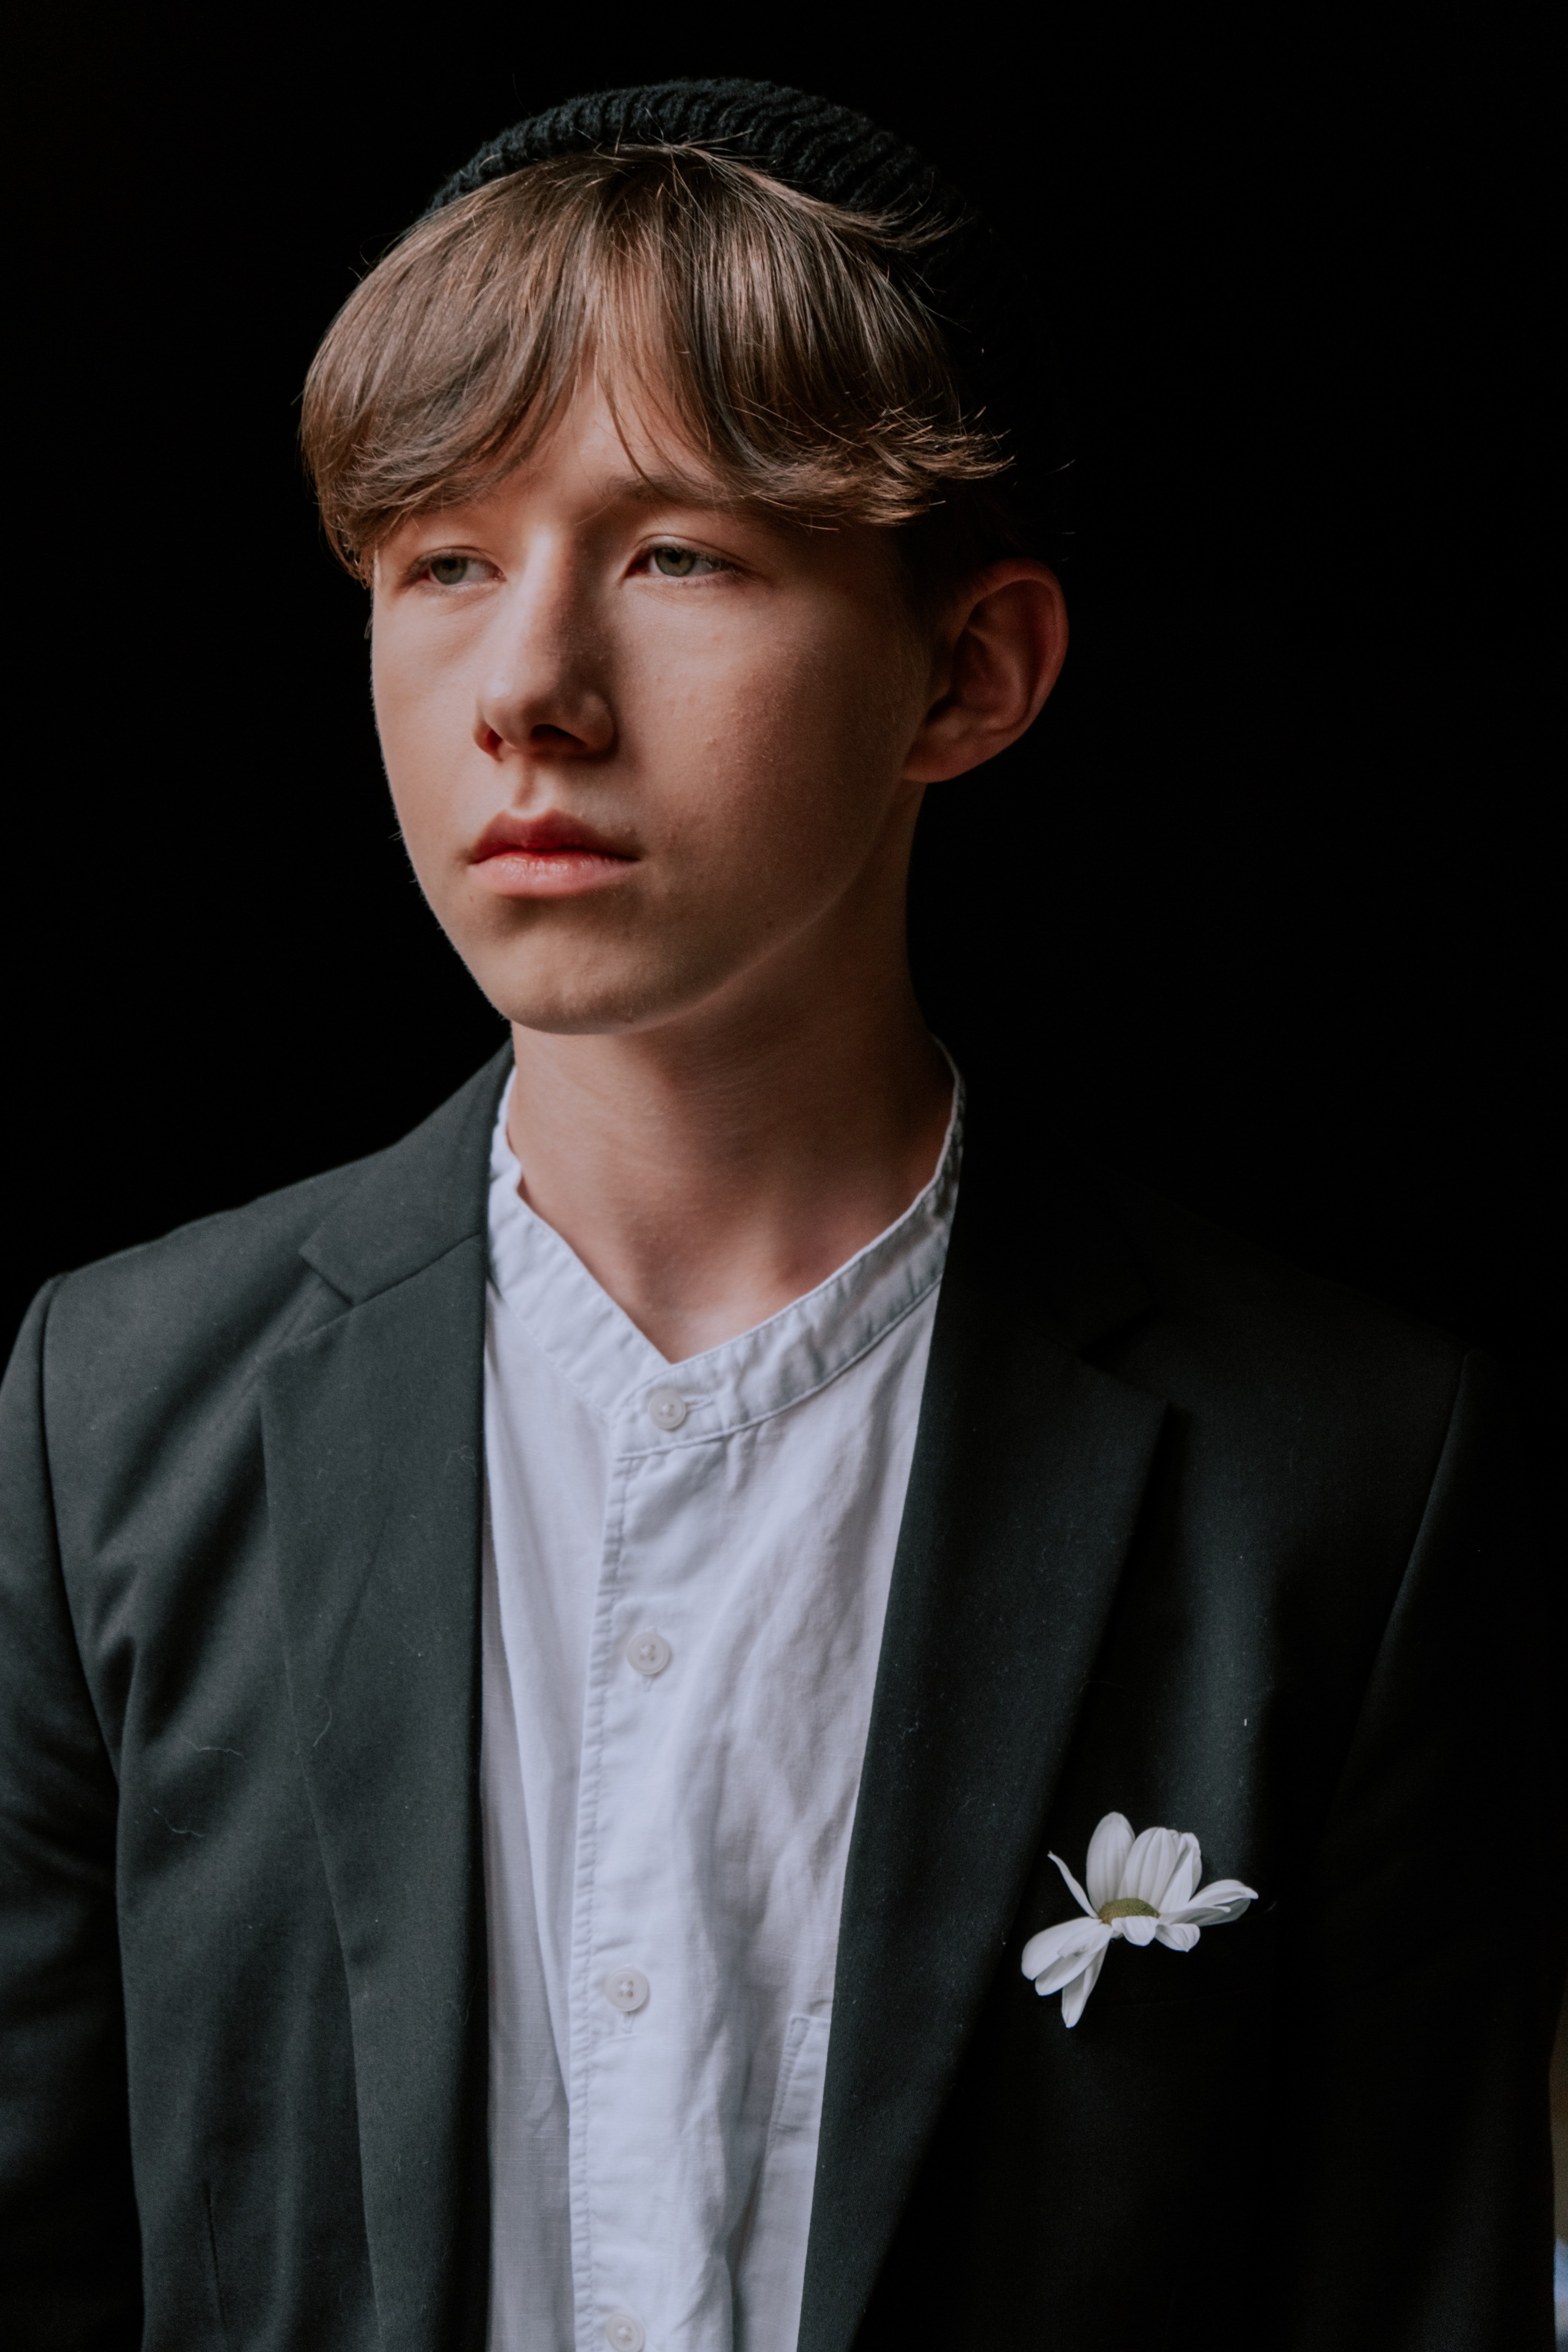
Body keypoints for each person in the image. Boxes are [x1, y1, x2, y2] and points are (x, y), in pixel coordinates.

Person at [0, 77, 1559, 2352]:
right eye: (443, 561)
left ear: (971, 671)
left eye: (680, 556)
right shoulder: (114, 1411)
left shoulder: (1345, 1481)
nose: (528, 692)